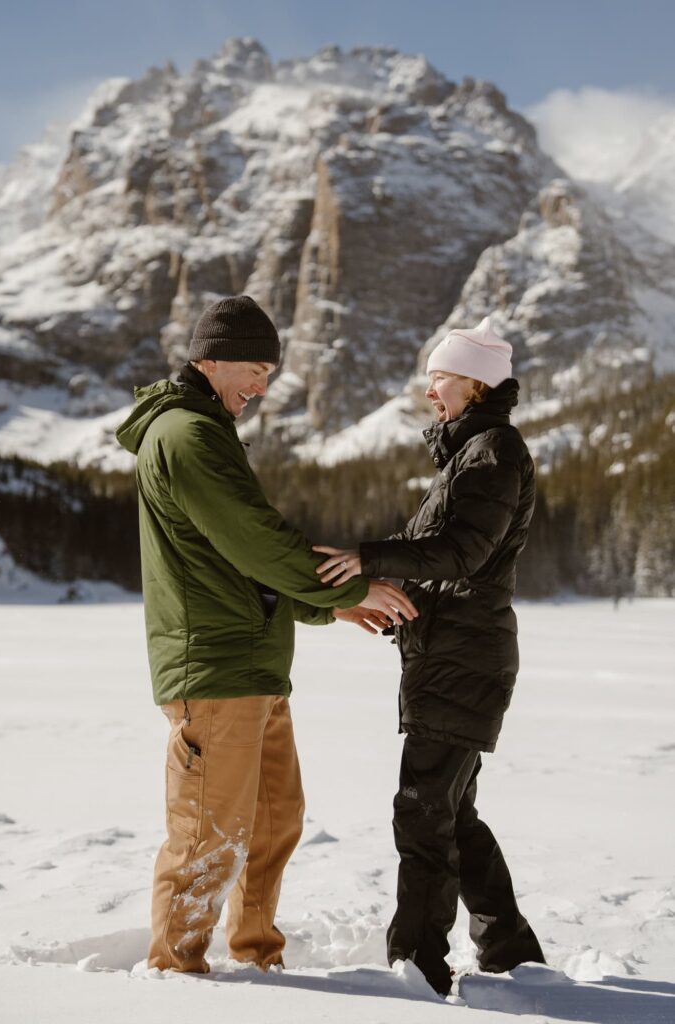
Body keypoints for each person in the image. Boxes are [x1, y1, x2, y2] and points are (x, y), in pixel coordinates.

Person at [115, 295, 416, 975]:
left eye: (271, 373)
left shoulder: (207, 431)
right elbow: (255, 541)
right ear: (211, 358)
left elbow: (240, 560)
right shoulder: (186, 436)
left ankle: (255, 958)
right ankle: (175, 973)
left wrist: (323, 608)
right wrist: (346, 589)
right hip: (215, 672)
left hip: (252, 669)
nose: (262, 386)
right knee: (207, 837)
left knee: (275, 821)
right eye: (255, 368)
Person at [315, 316, 545, 997]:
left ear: (474, 382)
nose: (427, 393)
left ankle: (416, 966)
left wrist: (371, 557)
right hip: (451, 655)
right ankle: (508, 948)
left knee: (422, 812)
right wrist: (360, 573)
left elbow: (463, 552)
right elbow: (433, 546)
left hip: (462, 660)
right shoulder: (472, 454)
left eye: (438, 378)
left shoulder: (494, 452)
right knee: (451, 814)